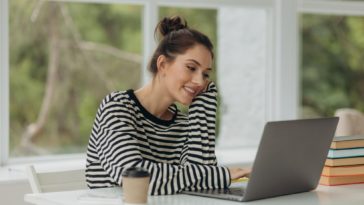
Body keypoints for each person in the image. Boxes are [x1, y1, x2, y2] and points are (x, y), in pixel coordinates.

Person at [85, 16, 251, 195]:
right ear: (163, 64)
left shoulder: (184, 124)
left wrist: (206, 101)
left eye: (205, 74)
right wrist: (224, 174)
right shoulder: (116, 109)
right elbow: (136, 179)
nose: (199, 81)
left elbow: (204, 185)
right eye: (191, 68)